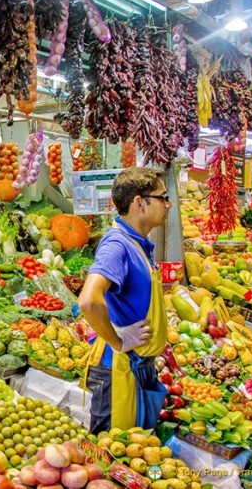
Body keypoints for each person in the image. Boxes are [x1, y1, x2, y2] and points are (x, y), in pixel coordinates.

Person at [78, 167, 171, 434]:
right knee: (112, 456)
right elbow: (88, 300)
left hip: (136, 368)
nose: (169, 204)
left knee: (135, 455)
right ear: (139, 203)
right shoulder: (117, 245)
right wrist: (118, 341)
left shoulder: (138, 243)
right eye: (162, 197)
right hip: (117, 370)